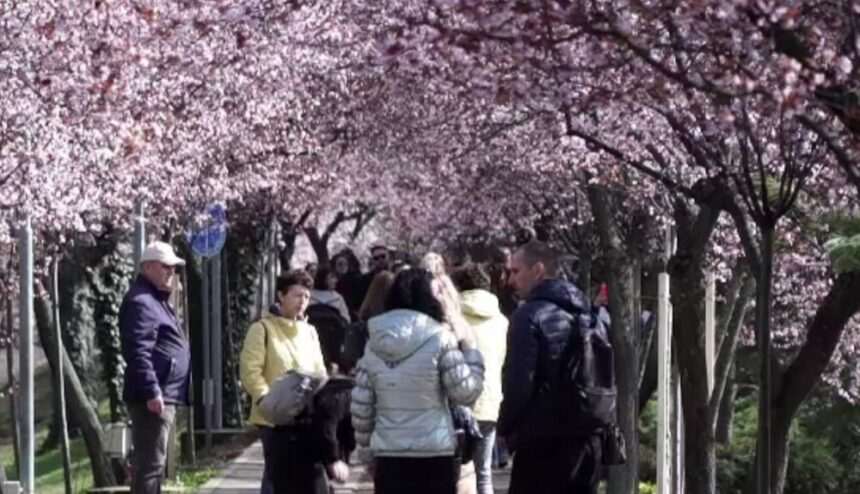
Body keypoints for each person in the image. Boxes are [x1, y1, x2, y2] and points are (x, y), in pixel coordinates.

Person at [351, 269, 485, 494]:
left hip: (389, 454)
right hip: (434, 452)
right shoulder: (441, 339)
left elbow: (362, 406)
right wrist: (471, 350)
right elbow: (465, 392)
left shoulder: (374, 340)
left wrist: (366, 452)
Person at [498, 240, 603, 494]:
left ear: (538, 270)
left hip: (542, 442)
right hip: (586, 439)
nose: (510, 280)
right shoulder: (585, 312)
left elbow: (519, 382)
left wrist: (505, 428)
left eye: (516, 271)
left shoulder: (529, 316)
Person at [240, 270, 346, 494]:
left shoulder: (309, 332)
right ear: (281, 295)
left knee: (301, 475)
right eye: (297, 295)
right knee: (275, 473)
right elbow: (250, 371)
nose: (302, 302)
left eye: (307, 297)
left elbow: (319, 371)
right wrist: (265, 399)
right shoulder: (262, 329)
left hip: (306, 417)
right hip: (272, 417)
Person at [119, 241, 190, 494]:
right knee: (150, 465)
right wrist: (151, 390)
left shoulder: (155, 300)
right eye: (166, 267)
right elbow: (138, 349)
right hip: (154, 395)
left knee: (153, 465)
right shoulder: (142, 302)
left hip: (162, 391)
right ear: (148, 267)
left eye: (173, 268)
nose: (171, 272)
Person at [451, 264, 509, 494]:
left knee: (460, 474)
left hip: (458, 403)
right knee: (484, 473)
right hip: (490, 400)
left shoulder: (453, 318)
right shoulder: (501, 320)